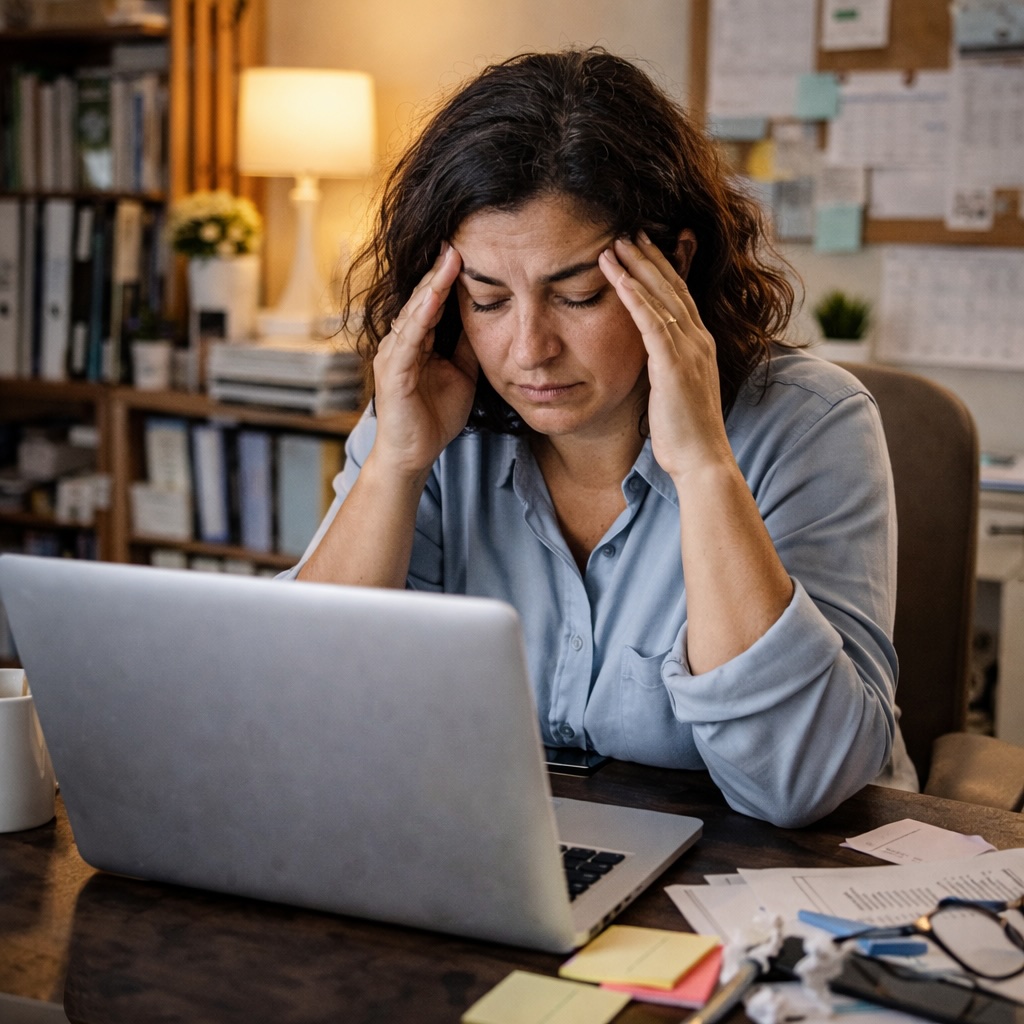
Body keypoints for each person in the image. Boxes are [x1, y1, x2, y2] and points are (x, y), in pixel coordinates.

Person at [283, 47, 918, 827]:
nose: (528, 349)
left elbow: (801, 783)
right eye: (486, 300)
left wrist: (704, 467)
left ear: (673, 266)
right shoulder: (427, 419)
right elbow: (301, 716)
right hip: (505, 858)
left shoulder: (810, 423)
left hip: (768, 894)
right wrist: (396, 463)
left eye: (577, 295)